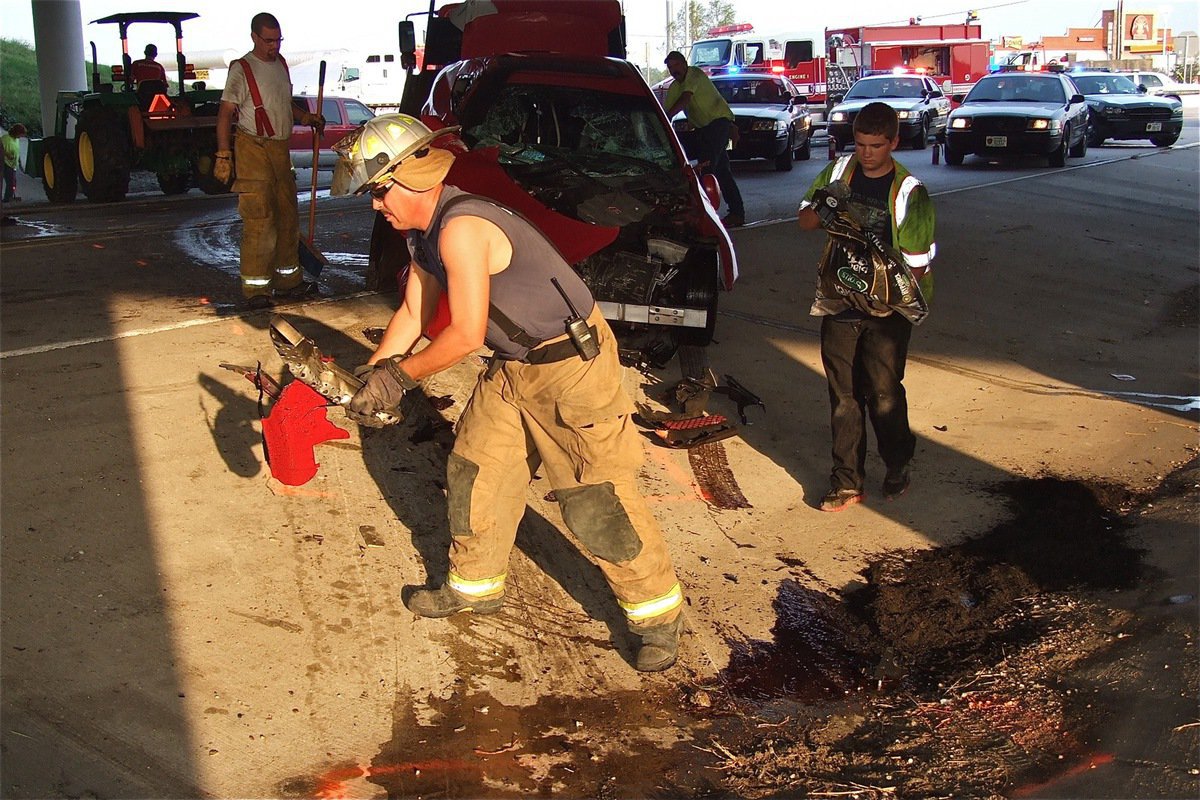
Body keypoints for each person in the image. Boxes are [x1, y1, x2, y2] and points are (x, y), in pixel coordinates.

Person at [332, 113, 687, 672]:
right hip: (516, 366)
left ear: (412, 176)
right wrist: (366, 375)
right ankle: (474, 585)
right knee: (477, 470)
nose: (376, 205)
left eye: (379, 191)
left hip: (573, 368)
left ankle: (657, 616)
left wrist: (398, 379)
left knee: (595, 499)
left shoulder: (462, 228)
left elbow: (465, 333)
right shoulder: (422, 234)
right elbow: (415, 311)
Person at [795, 102, 936, 512]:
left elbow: (917, 266)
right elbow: (804, 219)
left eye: (876, 145)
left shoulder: (912, 193)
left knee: (883, 394)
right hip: (840, 304)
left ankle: (897, 462)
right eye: (860, 144)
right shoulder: (839, 172)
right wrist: (827, 212)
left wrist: (885, 292)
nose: (867, 153)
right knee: (844, 397)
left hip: (887, 311)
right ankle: (846, 482)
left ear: (893, 141)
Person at [215, 12, 323, 310]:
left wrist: (306, 117)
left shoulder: (281, 65)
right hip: (253, 150)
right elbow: (225, 113)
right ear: (254, 37)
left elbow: (284, 103)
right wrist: (223, 154)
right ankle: (256, 289)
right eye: (268, 40)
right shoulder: (242, 69)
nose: (274, 46)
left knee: (287, 218)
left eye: (278, 40)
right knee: (261, 221)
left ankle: (288, 282)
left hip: (279, 149)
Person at [663, 50, 745, 228]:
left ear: (684, 63)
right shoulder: (674, 87)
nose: (674, 70)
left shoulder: (694, 74)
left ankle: (703, 215)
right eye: (670, 68)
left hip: (718, 124)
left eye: (676, 65)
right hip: (704, 129)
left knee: (706, 167)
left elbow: (685, 99)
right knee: (721, 170)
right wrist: (662, 121)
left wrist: (668, 115)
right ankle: (736, 213)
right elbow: (665, 112)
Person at [2, 123, 26, 203]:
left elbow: (17, 151)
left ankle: (9, 198)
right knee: (11, 183)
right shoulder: (5, 139)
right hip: (5, 163)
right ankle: (7, 200)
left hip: (12, 164)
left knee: (13, 183)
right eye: (21, 134)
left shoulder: (16, 140)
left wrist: (19, 162)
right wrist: (7, 155)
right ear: (16, 132)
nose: (21, 137)